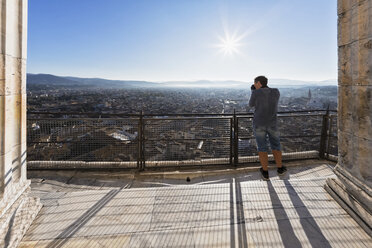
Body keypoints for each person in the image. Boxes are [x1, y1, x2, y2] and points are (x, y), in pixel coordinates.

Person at [249, 76, 287, 180]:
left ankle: (265, 172)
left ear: (259, 83)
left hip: (259, 123)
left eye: (255, 83)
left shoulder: (256, 92)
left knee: (262, 147)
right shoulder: (276, 91)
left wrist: (254, 91)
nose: (254, 84)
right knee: (276, 145)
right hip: (272, 123)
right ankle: (280, 168)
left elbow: (251, 104)